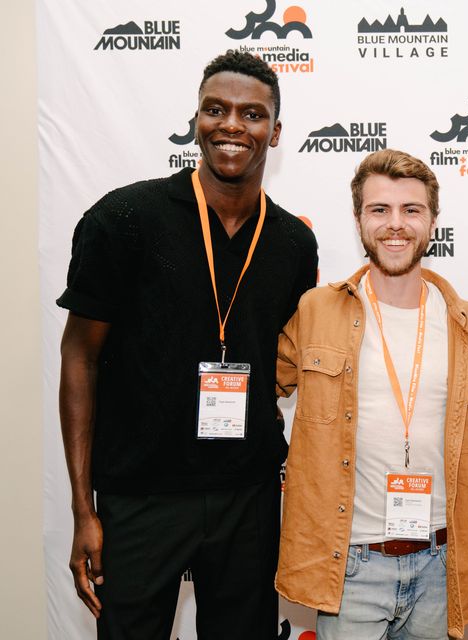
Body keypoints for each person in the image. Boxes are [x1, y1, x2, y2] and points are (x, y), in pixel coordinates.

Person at [56, 50, 318, 638]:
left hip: (247, 496)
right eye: (215, 110)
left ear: (274, 133)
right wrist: (83, 508)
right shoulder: (124, 217)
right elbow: (80, 357)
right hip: (141, 495)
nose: (232, 125)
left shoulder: (295, 244)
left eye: (252, 114)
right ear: (195, 120)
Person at [274, 149, 468, 640]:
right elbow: (259, 388)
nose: (396, 225)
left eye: (411, 210)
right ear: (358, 219)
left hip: (439, 565)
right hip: (348, 567)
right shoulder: (316, 310)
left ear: (433, 221)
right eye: (380, 210)